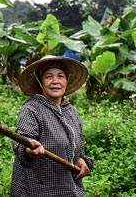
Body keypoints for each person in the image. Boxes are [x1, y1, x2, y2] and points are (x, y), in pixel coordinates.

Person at [11, 55, 93, 197]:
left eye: (60, 76)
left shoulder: (71, 110)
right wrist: (29, 149)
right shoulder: (32, 109)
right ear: (40, 81)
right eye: (49, 76)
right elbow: (22, 141)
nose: (55, 81)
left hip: (69, 190)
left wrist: (81, 159)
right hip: (38, 191)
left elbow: (78, 144)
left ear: (66, 81)